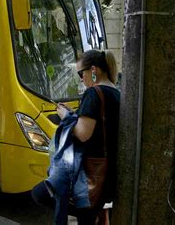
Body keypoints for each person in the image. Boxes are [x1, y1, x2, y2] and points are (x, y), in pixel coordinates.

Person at [31, 49, 120, 224]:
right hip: (107, 173)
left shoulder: (94, 93)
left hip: (89, 174)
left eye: (81, 73)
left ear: (93, 70)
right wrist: (75, 115)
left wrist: (66, 116)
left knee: (40, 193)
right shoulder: (116, 93)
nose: (81, 79)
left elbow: (83, 134)